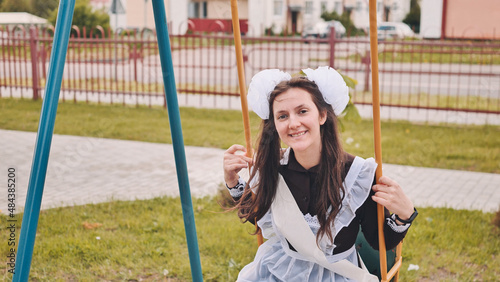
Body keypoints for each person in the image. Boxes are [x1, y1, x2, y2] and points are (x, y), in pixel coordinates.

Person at [223, 66, 417, 281]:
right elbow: (260, 217)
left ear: (323, 115)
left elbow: (380, 242)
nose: (293, 123)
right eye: (282, 116)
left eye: (302, 111)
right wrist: (233, 183)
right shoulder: (272, 165)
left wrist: (404, 216)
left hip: (338, 274)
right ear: (275, 124)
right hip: (280, 270)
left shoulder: (357, 175)